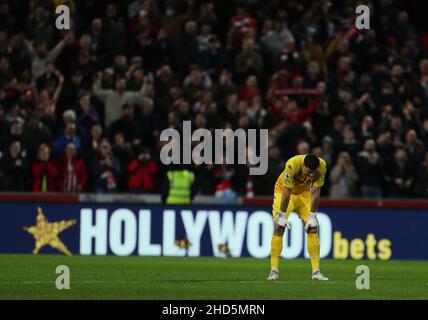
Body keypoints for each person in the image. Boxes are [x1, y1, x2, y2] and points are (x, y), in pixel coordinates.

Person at [267, 153, 328, 281]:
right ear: (303, 165)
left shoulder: (322, 166)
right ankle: (274, 271)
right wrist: (282, 216)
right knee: (279, 226)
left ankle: (316, 272)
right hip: (283, 191)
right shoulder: (292, 164)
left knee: (313, 227)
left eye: (314, 172)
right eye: (309, 171)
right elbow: (287, 192)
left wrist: (313, 216)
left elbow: (316, 191)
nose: (311, 175)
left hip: (305, 193)